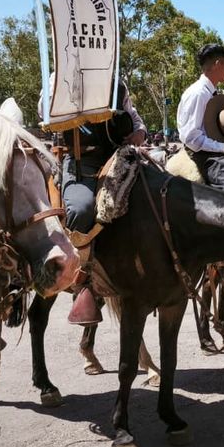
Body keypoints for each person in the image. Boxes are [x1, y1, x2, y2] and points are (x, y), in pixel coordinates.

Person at [60, 78, 147, 325]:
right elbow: (45, 109)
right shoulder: (62, 77)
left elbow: (135, 119)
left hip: (120, 157)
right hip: (82, 161)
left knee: (155, 197)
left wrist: (139, 132)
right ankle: (84, 281)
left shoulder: (119, 84)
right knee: (81, 209)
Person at [176, 42, 224, 196]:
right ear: (217, 64)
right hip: (202, 153)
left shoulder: (210, 91)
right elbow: (191, 138)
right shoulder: (198, 93)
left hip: (212, 147)